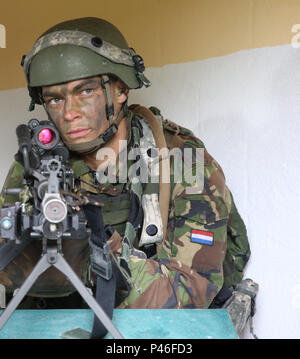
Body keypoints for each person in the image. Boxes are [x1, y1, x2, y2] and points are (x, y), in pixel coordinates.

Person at [0, 17, 250, 333]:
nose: (68, 113)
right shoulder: (37, 164)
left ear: (120, 90)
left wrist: (94, 253)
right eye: (54, 98)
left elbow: (194, 293)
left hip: (150, 329)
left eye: (85, 91)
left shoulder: (183, 162)